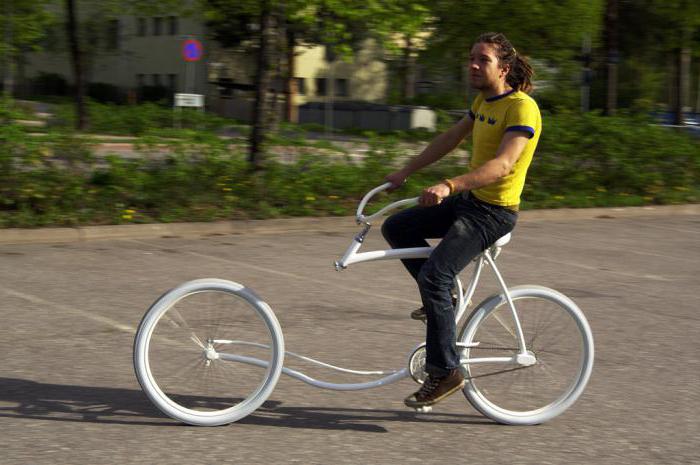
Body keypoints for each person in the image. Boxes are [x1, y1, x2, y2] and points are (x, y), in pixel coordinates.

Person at [381, 32, 542, 408]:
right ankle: (446, 298)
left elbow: (503, 165)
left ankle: (446, 371)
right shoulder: (483, 101)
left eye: (481, 59)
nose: (472, 65)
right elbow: (450, 138)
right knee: (397, 227)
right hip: (470, 202)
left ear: (503, 68)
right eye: (471, 57)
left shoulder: (522, 108)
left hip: (493, 212)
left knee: (434, 275)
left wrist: (449, 185)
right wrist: (404, 172)